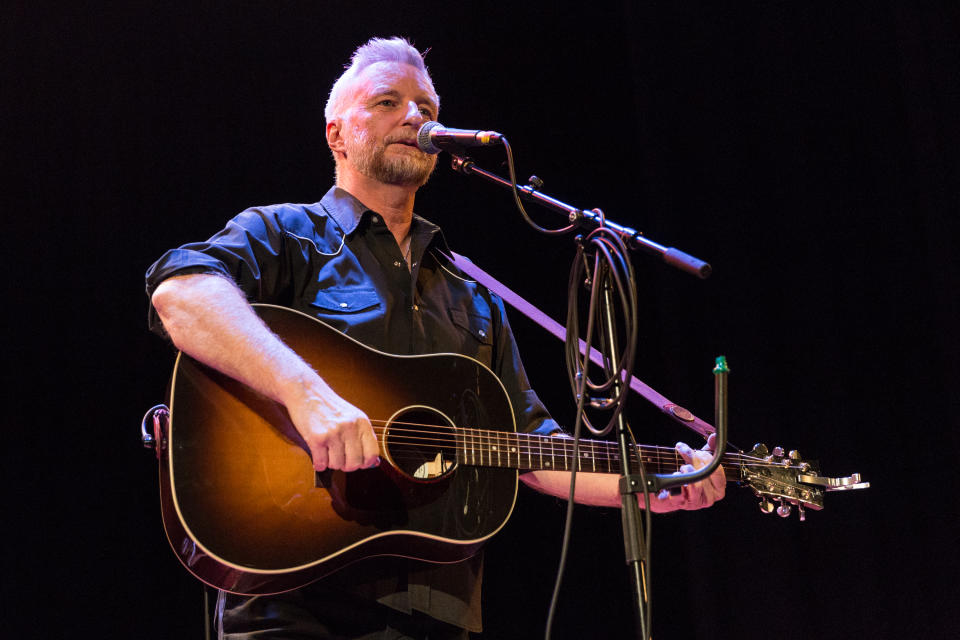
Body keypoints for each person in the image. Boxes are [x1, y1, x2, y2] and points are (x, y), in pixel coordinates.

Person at [146, 36, 725, 640]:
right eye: (388, 102)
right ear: (336, 134)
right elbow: (180, 294)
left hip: (444, 609)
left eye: (426, 106)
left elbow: (530, 445)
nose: (415, 116)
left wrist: (655, 485)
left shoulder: (470, 292)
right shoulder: (286, 235)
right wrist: (305, 394)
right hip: (295, 598)